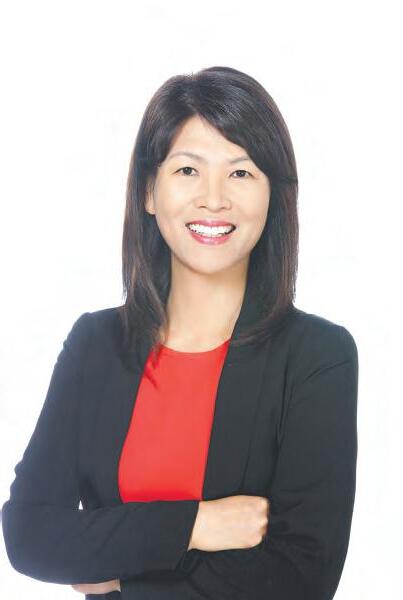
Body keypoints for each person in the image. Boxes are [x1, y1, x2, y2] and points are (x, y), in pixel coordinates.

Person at [2, 66, 359, 600]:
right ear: (150, 191)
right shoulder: (97, 344)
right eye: (188, 170)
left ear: (272, 197)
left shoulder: (317, 356)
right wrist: (196, 525)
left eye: (241, 173)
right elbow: (30, 534)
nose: (214, 199)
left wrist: (122, 574)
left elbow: (302, 577)